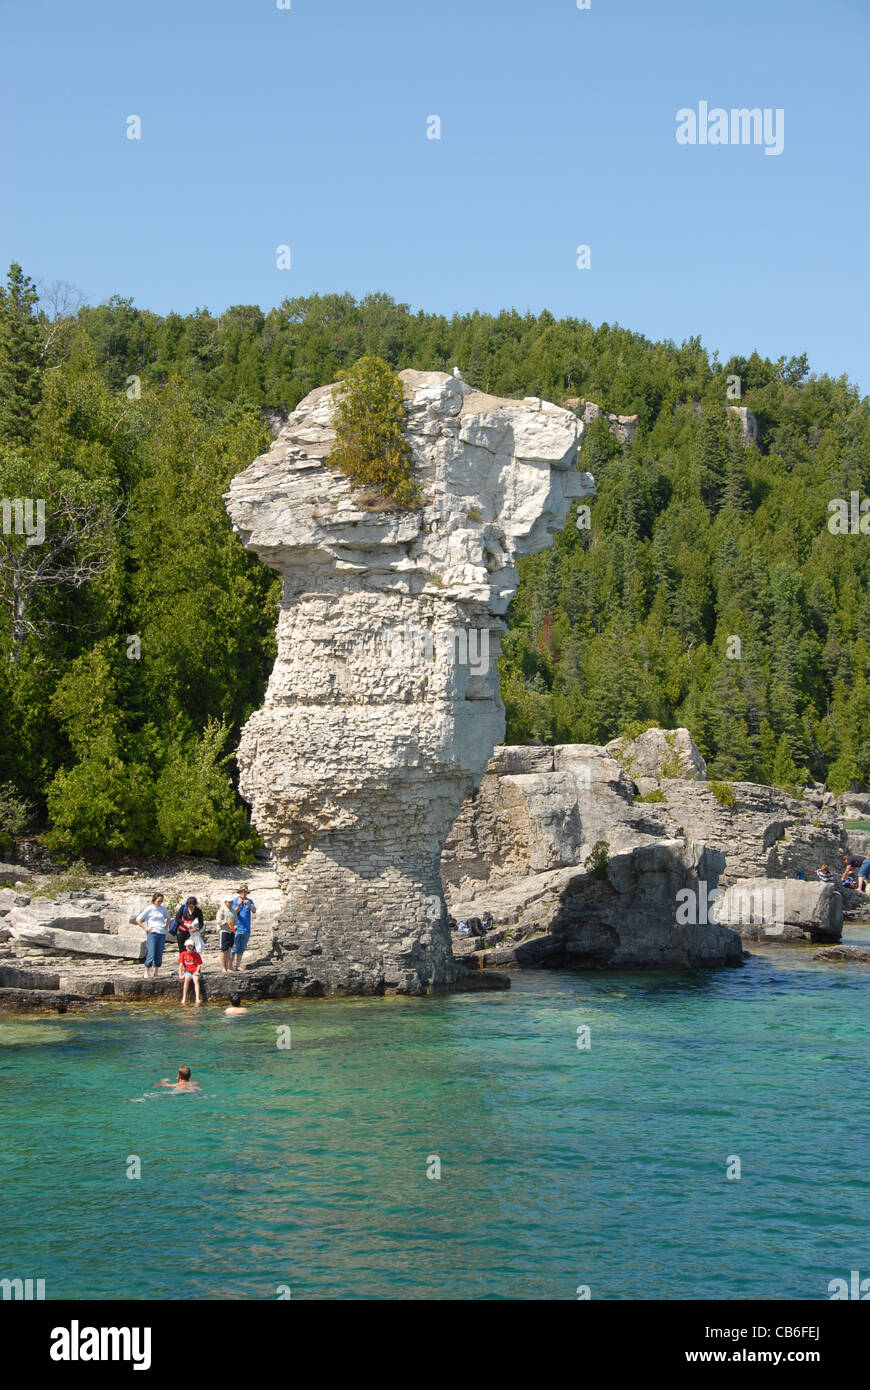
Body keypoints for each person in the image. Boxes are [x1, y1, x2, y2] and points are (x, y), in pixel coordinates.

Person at [135, 892, 171, 979]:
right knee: (151, 952)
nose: (160, 903)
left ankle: (156, 971)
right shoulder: (149, 909)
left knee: (159, 952)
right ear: (154, 900)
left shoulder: (163, 909)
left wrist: (166, 927)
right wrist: (145, 928)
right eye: (158, 901)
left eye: (161, 901)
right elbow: (138, 919)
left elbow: (168, 918)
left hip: (161, 933)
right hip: (153, 932)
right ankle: (146, 971)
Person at [224, 885, 256, 972]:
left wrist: (249, 905)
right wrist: (238, 904)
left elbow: (254, 910)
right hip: (237, 927)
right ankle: (230, 965)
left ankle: (238, 965)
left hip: (246, 928)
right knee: (234, 947)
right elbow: (233, 912)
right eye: (242, 892)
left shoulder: (249, 901)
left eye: (245, 892)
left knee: (242, 947)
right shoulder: (235, 901)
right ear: (239, 892)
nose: (244, 894)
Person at [172, 896, 205, 972]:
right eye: (189, 906)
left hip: (191, 933)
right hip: (181, 931)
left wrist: (197, 929)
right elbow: (177, 918)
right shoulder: (183, 908)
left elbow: (201, 923)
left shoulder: (198, 911)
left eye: (192, 906)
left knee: (192, 949)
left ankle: (194, 967)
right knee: (182, 950)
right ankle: (184, 968)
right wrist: (185, 924)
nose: (191, 908)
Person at [217, 899, 236, 974]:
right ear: (225, 902)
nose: (230, 903)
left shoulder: (233, 911)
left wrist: (235, 926)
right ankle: (223, 967)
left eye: (232, 902)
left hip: (231, 931)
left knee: (229, 949)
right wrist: (226, 922)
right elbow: (218, 921)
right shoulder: (221, 911)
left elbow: (235, 921)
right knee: (223, 950)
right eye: (229, 902)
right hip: (224, 931)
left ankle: (228, 967)